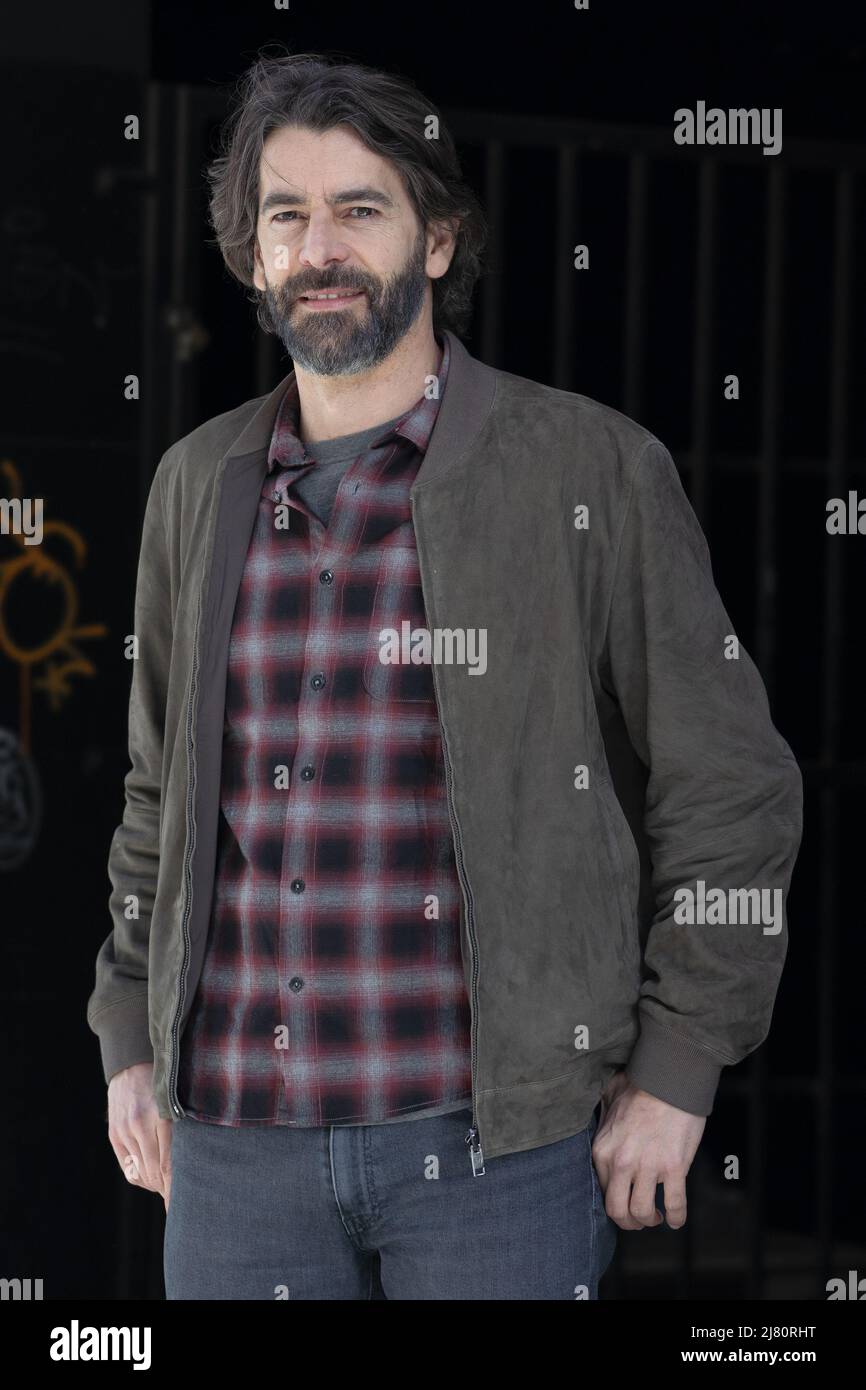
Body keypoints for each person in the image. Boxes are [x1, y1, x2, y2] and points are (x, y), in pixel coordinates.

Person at [87, 49, 803, 1301]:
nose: (320, 247)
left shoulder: (586, 470)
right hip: (235, 1151)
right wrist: (126, 1038)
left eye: (360, 208)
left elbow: (730, 788)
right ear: (252, 254)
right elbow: (157, 796)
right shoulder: (196, 484)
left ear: (435, 240)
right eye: (285, 214)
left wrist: (681, 1067)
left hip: (500, 1153)